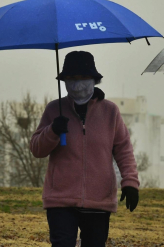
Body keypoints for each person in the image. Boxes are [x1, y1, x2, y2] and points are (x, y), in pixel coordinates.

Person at [30, 51, 140, 247]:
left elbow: (124, 150)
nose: (76, 84)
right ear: (63, 80)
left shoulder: (110, 111)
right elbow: (37, 149)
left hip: (99, 200)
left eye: (82, 77)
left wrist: (130, 182)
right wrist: (53, 130)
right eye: (71, 78)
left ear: (94, 79)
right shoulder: (54, 110)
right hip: (60, 200)